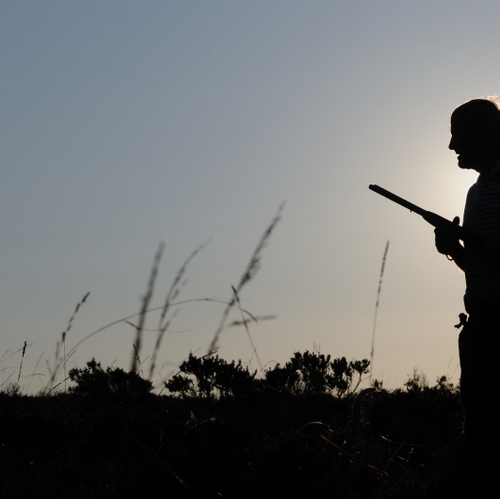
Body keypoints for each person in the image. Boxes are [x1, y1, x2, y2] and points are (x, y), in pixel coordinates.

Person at [434, 97, 500, 482]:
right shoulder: (476, 192)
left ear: (483, 135)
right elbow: (479, 267)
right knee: (480, 415)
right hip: (481, 317)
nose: (452, 146)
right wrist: (456, 251)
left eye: (458, 135)